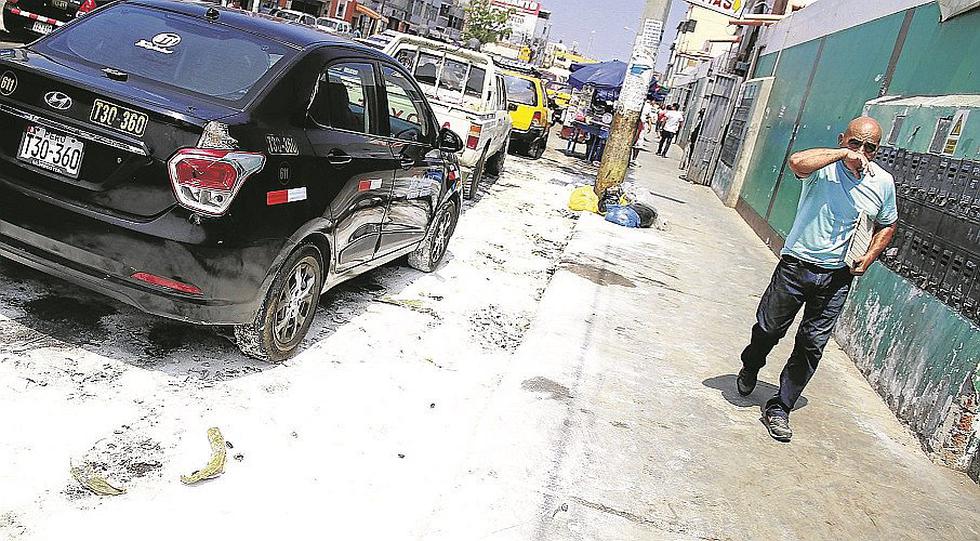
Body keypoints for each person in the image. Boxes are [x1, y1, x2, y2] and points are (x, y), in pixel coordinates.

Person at [736, 116, 898, 442]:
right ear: (843, 139)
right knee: (768, 329)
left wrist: (869, 256)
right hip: (796, 267)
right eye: (855, 143)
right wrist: (842, 156)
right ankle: (751, 365)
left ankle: (780, 406)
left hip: (838, 277)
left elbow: (888, 223)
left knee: (812, 344)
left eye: (870, 147)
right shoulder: (822, 168)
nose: (862, 151)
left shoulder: (882, 182)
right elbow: (797, 161)